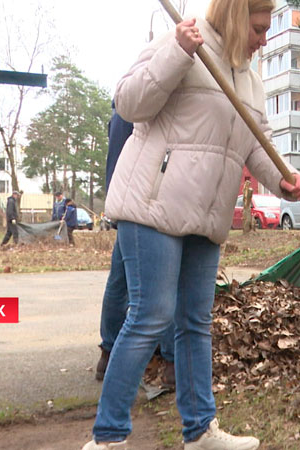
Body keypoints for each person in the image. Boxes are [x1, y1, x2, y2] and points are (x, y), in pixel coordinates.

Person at [82, 1, 300, 449]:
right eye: (259, 28)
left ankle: (200, 432)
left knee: (194, 323)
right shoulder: (183, 40)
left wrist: (284, 180)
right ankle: (107, 438)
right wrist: (177, 54)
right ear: (235, 16)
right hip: (154, 206)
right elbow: (129, 104)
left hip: (206, 215)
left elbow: (254, 145)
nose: (264, 39)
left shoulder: (250, 78)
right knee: (150, 316)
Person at [95, 105, 176, 390]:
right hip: (146, 205)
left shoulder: (123, 112)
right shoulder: (136, 111)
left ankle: (108, 355)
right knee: (163, 285)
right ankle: (170, 364)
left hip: (128, 204)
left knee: (120, 282)